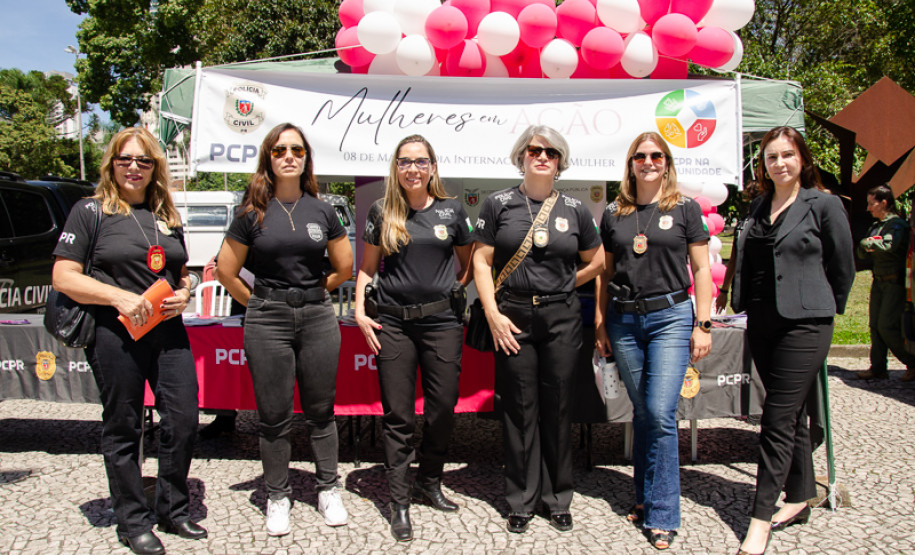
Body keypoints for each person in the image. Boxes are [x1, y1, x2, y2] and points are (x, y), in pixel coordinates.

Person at [52, 127, 205, 555]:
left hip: (167, 330)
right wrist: (118, 295)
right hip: (114, 332)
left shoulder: (166, 215)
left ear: (155, 167)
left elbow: (178, 272)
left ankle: (173, 509)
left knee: (184, 418)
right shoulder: (90, 211)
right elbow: (63, 276)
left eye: (143, 161)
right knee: (124, 425)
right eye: (126, 160)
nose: (134, 168)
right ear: (112, 164)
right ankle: (132, 520)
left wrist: (186, 291)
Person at [215, 123, 354, 536]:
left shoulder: (323, 210)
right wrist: (260, 304)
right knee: (273, 417)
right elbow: (226, 271)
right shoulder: (251, 213)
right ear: (269, 159)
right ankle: (278, 495)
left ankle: (328, 488)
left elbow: (344, 267)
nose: (288, 156)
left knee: (321, 412)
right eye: (279, 150)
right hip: (267, 321)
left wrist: (312, 293)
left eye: (296, 149)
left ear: (306, 157)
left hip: (316, 317)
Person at [472, 125, 603, 534]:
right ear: (522, 157)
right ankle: (521, 500)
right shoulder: (498, 204)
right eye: (534, 150)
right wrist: (492, 314)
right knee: (520, 411)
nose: (541, 156)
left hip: (562, 319)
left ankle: (557, 497)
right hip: (513, 318)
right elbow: (480, 261)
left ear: (560, 162)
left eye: (550, 151)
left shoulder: (576, 209)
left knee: (559, 407)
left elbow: (598, 262)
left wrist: (567, 284)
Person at [731, 126, 855, 555]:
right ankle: (801, 495)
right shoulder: (758, 206)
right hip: (762, 320)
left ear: (802, 158)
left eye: (787, 155)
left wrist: (823, 308)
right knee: (794, 410)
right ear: (762, 164)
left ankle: (760, 518)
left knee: (777, 418)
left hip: (806, 324)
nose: (779, 163)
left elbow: (844, 266)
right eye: (771, 157)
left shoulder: (824, 204)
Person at [594, 131, 712, 550]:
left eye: (656, 155)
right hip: (625, 321)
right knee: (643, 411)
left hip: (671, 318)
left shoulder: (685, 209)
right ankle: (644, 499)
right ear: (630, 164)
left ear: (667, 162)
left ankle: (663, 513)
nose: (648, 162)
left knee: (661, 412)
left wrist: (703, 323)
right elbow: (604, 274)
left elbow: (700, 270)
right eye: (640, 156)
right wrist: (601, 321)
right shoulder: (613, 213)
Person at [353, 135, 474, 542]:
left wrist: (451, 291)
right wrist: (358, 310)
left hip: (441, 325)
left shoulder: (453, 210)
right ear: (396, 168)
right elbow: (368, 269)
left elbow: (470, 261)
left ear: (433, 167)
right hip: (395, 325)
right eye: (405, 162)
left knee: (442, 408)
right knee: (398, 415)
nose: (413, 169)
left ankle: (430, 479)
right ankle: (399, 501)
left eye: (421, 162)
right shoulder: (382, 211)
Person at [855, 184, 915, 382]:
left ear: (884, 203)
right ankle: (878, 367)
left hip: (893, 283)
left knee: (886, 326)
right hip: (879, 281)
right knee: (874, 326)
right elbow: (862, 251)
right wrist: (867, 246)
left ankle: (912, 363)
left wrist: (868, 244)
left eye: (872, 204)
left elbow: (888, 244)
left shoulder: (896, 224)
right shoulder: (877, 225)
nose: (868, 208)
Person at [715, 181, 762, 314]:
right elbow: (734, 258)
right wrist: (724, 291)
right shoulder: (763, 222)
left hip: (742, 289)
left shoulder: (743, 223)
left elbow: (733, 259)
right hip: (752, 290)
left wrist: (724, 290)